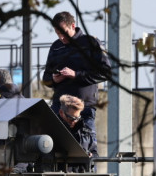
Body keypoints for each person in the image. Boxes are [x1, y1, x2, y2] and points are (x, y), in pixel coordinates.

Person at [41, 11, 111, 148]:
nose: (61, 37)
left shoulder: (90, 43)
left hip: (83, 108)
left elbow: (106, 72)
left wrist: (76, 75)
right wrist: (55, 79)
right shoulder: (56, 47)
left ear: (73, 26)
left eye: (63, 32)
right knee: (53, 149)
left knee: (87, 149)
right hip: (59, 107)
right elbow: (46, 78)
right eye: (57, 33)